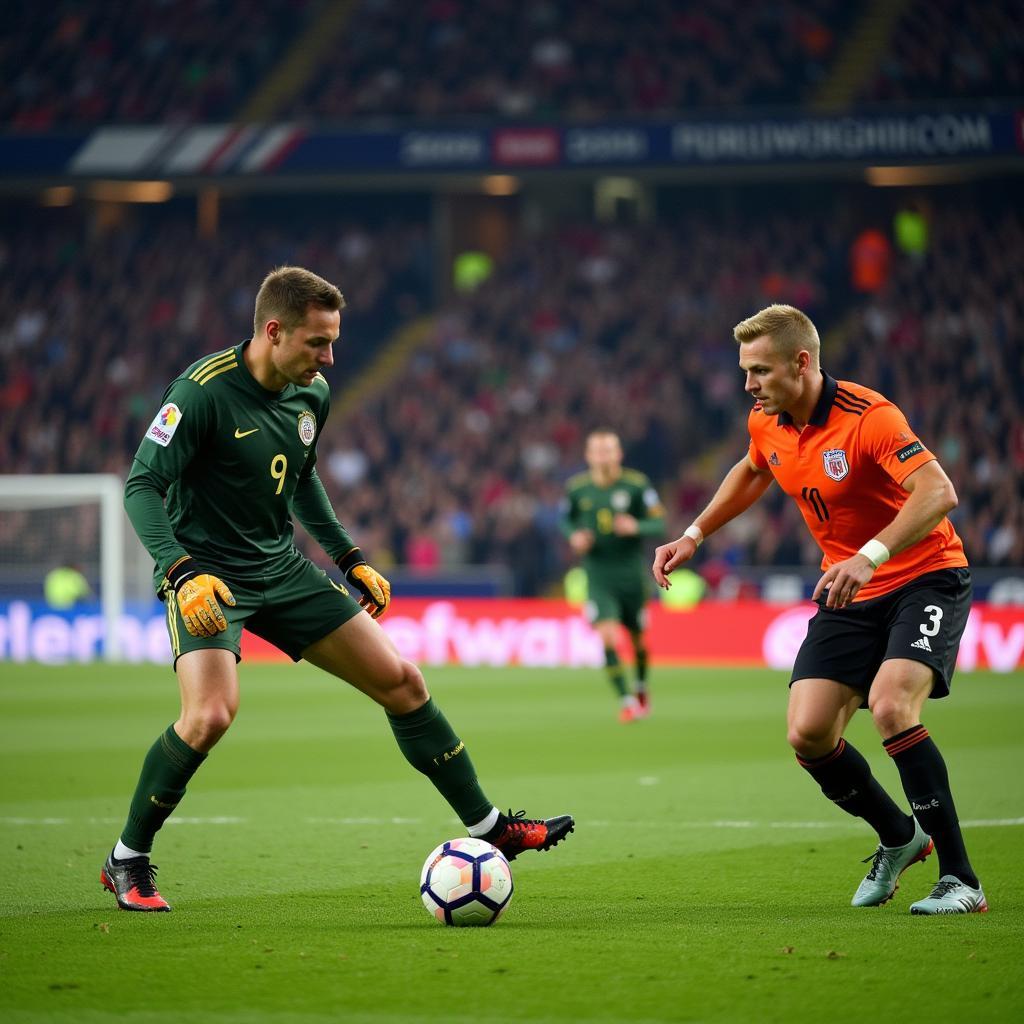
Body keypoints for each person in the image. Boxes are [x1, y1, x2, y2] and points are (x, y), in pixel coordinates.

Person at [102, 266, 573, 912]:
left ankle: (491, 829)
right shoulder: (202, 391)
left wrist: (349, 556)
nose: (329, 357)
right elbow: (140, 488)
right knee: (210, 715)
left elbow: (299, 477)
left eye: (333, 341)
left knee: (402, 681)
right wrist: (181, 572)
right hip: (208, 578)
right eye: (317, 342)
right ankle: (127, 859)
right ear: (273, 331)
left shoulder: (311, 393)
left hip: (281, 568)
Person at [653, 303, 985, 915]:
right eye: (745, 371)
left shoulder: (870, 417)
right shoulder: (766, 420)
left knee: (891, 705)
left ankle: (961, 878)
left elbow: (939, 491)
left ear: (801, 363)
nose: (748, 385)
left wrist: (871, 554)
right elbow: (753, 470)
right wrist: (694, 535)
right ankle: (899, 836)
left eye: (760, 371)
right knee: (807, 733)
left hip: (923, 576)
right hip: (851, 590)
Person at [561, 429, 665, 723]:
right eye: (598, 450)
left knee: (639, 641)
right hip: (598, 574)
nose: (604, 456)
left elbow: (659, 521)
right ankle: (626, 699)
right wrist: (574, 536)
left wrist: (637, 527)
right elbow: (565, 520)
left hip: (631, 574)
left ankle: (641, 686)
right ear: (588, 456)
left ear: (619, 454)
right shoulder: (577, 489)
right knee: (607, 637)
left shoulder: (636, 486)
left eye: (609, 450)